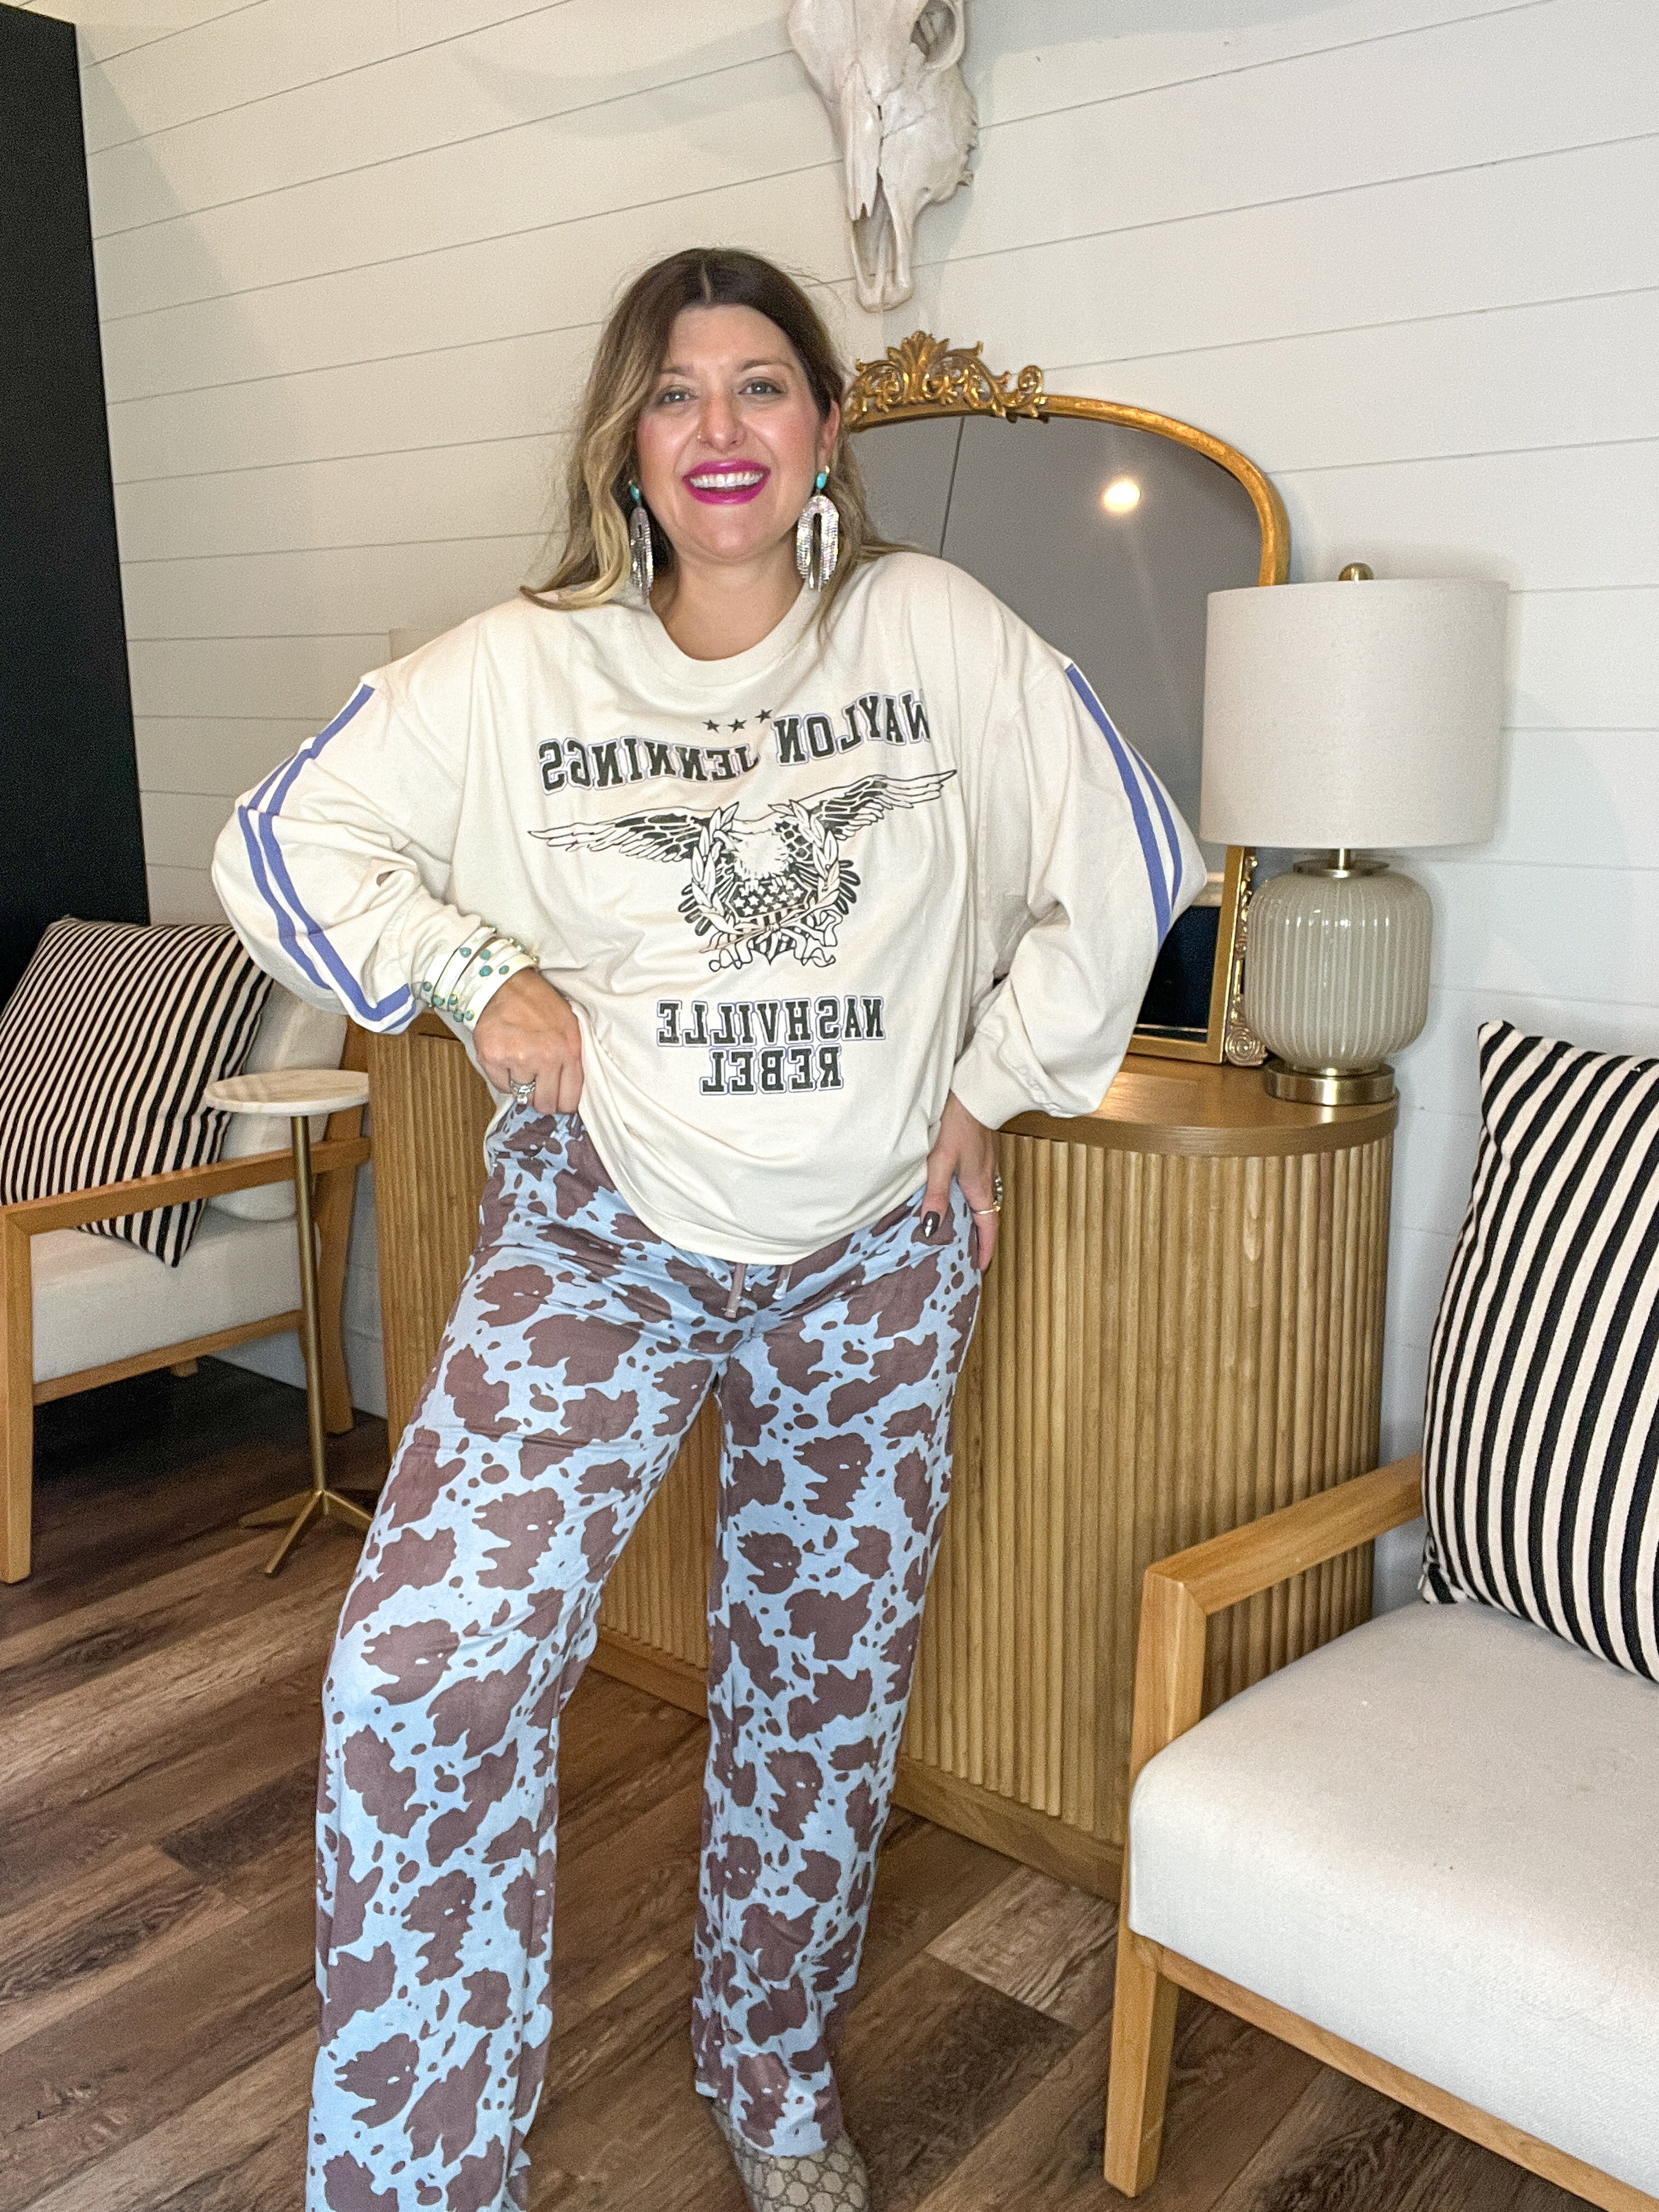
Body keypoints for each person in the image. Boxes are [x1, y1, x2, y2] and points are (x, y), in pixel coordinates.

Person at [214, 246, 1203, 2212]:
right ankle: (419, 2176)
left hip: (876, 1251)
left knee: (820, 1694)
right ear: (629, 441)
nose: (721, 425)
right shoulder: (525, 667)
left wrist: (991, 1079)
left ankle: (768, 2064)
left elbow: (1131, 849)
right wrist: (472, 974)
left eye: (762, 384)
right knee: (424, 1670)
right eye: (677, 391)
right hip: (603, 1233)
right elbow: (280, 845)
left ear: (825, 427)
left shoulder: (929, 631)